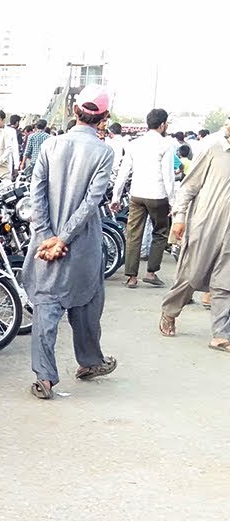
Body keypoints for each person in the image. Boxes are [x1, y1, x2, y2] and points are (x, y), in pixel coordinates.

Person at [23, 85, 118, 399]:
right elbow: (92, 202)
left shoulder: (51, 145)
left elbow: (36, 192)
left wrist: (48, 235)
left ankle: (45, 377)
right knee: (87, 301)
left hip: (45, 242)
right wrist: (63, 237)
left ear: (75, 111)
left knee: (46, 306)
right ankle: (90, 361)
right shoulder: (104, 152)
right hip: (82, 243)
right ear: (103, 117)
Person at [159, 117, 230, 348]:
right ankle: (170, 311)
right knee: (191, 274)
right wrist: (179, 217)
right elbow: (189, 186)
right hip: (205, 224)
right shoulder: (215, 151)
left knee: (225, 282)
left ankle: (220, 334)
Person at [111, 108, 176, 289]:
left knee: (133, 234)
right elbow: (168, 176)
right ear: (162, 125)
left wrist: (116, 196)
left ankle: (131, 277)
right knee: (160, 232)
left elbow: (124, 172)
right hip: (158, 196)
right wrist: (173, 201)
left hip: (136, 195)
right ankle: (151, 272)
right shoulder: (166, 145)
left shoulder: (134, 144)